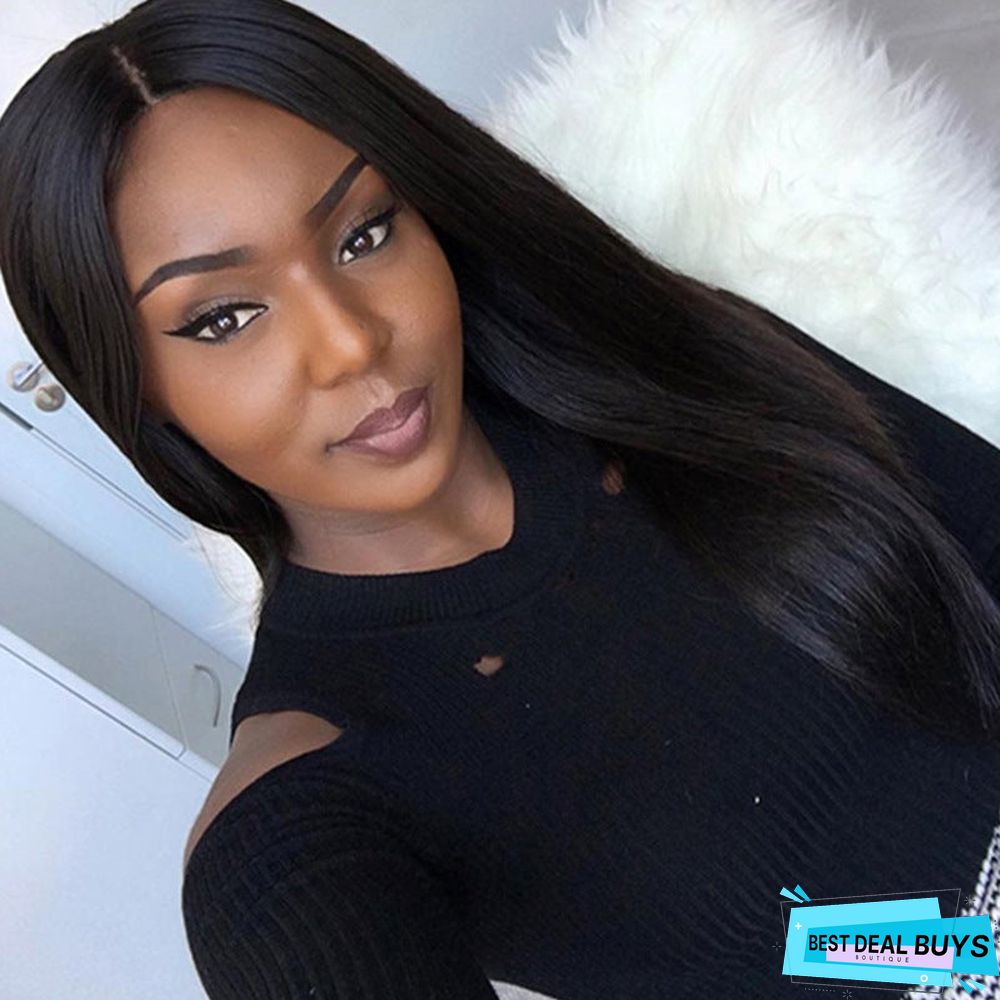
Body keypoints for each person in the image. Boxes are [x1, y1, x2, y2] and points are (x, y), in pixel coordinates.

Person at [1, 1, 998, 996]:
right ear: (132, 385)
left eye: (362, 234)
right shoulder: (309, 800)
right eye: (224, 317)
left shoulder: (657, 359)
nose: (349, 342)